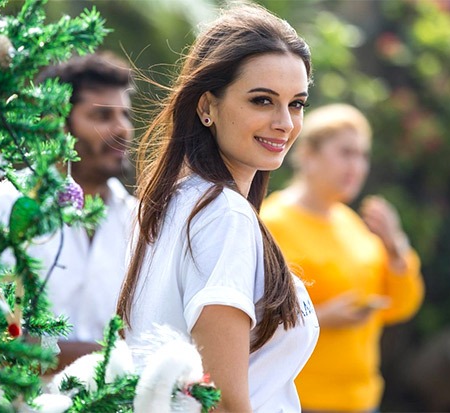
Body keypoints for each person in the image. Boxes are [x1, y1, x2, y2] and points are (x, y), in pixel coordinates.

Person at [116, 4, 319, 412]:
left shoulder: (165, 206)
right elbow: (223, 402)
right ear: (207, 106)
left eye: (296, 103)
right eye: (262, 101)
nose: (285, 122)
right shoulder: (223, 215)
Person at [261, 103, 425, 412]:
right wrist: (320, 319)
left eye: (363, 155)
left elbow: (401, 306)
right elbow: (251, 322)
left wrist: (395, 246)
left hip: (361, 400)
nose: (358, 166)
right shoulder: (273, 223)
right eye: (346, 153)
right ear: (308, 155)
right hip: (298, 399)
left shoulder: (353, 225)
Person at [0, 51, 136, 369]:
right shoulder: (8, 205)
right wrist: (109, 357)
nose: (122, 128)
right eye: (102, 116)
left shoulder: (141, 222)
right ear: (58, 125)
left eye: (125, 115)